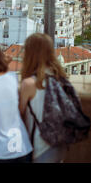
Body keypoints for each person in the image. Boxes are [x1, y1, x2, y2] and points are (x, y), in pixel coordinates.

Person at [19, 33, 68, 163]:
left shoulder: (29, 84)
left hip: (40, 147)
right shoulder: (61, 79)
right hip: (59, 144)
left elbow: (19, 116)